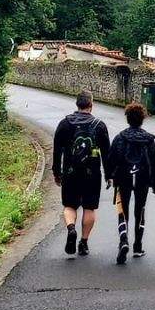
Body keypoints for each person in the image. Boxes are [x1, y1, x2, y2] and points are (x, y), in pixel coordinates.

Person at [52, 91, 112, 257]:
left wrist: (57, 172)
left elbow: (57, 151)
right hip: (91, 173)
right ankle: (84, 242)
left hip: (70, 172)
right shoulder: (99, 125)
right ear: (91, 105)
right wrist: (109, 174)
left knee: (69, 205)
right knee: (89, 207)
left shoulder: (64, 124)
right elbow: (106, 153)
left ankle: (71, 228)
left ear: (77, 104)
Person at [106, 103, 155, 264]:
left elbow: (111, 159)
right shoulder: (149, 140)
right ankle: (138, 246)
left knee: (123, 210)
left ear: (128, 118)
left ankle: (123, 240)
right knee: (140, 210)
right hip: (142, 178)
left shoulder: (120, 138)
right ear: (142, 119)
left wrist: (109, 176)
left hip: (123, 178)